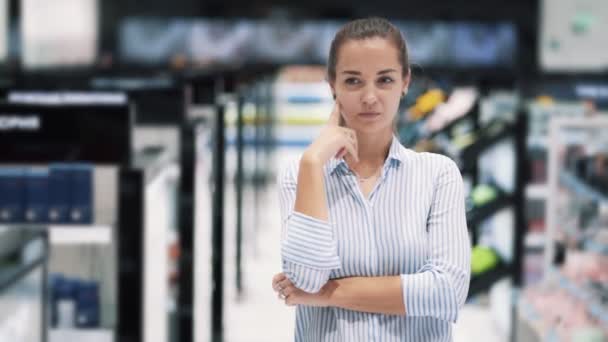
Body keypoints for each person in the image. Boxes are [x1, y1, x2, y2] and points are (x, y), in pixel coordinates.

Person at [272, 17, 471, 342]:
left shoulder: (438, 175)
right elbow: (306, 280)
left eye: (384, 80)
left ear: (405, 81)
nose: (369, 97)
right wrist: (312, 162)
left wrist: (325, 295)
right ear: (332, 84)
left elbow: (447, 292)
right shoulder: (301, 175)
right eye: (353, 81)